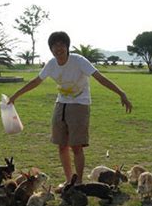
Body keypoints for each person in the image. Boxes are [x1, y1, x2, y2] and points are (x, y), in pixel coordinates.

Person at [8, 31, 132, 185]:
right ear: (51, 48)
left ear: (67, 47)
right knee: (61, 145)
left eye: (62, 44)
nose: (58, 48)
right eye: (54, 45)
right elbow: (35, 81)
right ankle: (69, 181)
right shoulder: (51, 64)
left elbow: (99, 78)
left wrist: (121, 93)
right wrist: (15, 96)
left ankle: (78, 181)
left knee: (76, 146)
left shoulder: (79, 61)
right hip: (61, 103)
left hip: (80, 104)